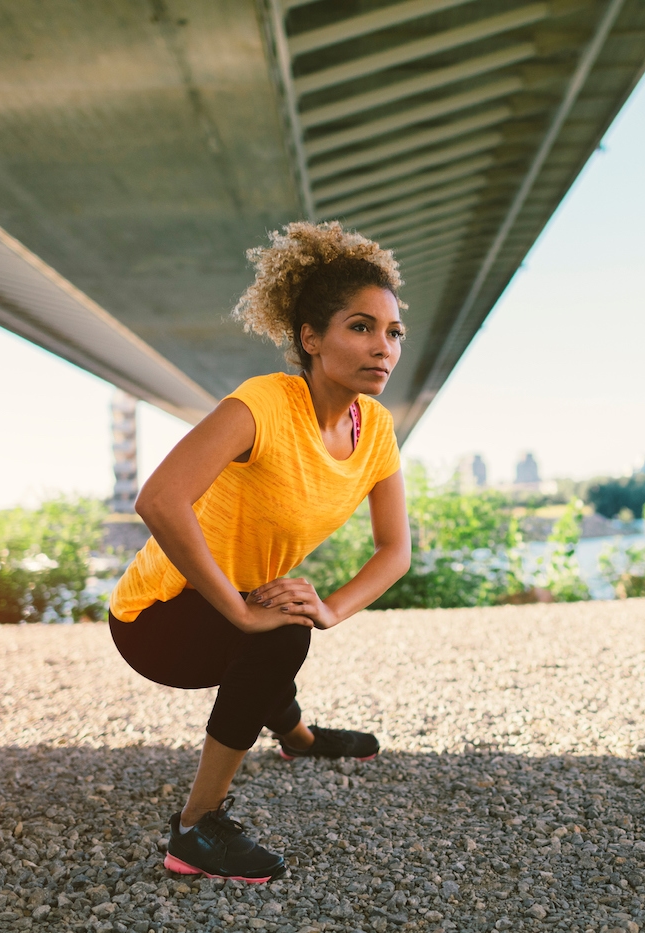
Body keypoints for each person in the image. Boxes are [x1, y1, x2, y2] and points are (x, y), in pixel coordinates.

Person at [107, 221, 412, 883]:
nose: (382, 347)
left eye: (392, 332)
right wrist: (243, 614)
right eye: (360, 327)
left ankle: (297, 738)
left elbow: (395, 549)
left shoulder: (376, 428)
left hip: (237, 595)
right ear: (310, 337)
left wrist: (330, 607)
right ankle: (195, 829)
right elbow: (160, 498)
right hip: (155, 617)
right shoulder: (263, 406)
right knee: (276, 636)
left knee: (287, 611)